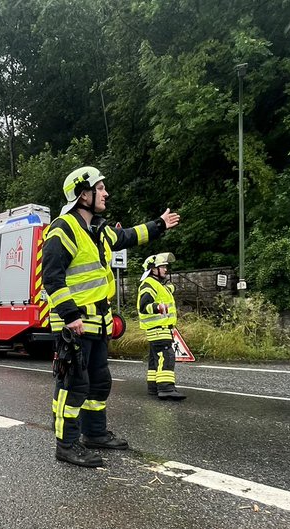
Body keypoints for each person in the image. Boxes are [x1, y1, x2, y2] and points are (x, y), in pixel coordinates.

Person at [43, 166, 180, 468]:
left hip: (98, 324)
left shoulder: (99, 231)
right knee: (74, 384)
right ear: (83, 194)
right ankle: (66, 445)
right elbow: (51, 277)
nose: (106, 193)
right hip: (75, 326)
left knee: (99, 382)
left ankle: (95, 434)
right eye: (101, 188)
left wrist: (160, 224)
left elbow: (129, 236)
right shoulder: (63, 228)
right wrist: (69, 315)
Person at [138, 252, 186, 401]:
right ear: (153, 269)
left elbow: (169, 290)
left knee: (155, 358)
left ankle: (153, 387)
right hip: (159, 328)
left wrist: (169, 287)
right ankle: (166, 388)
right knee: (167, 356)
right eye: (162, 267)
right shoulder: (149, 284)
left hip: (159, 329)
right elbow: (143, 306)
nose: (165, 269)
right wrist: (158, 307)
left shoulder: (157, 284)